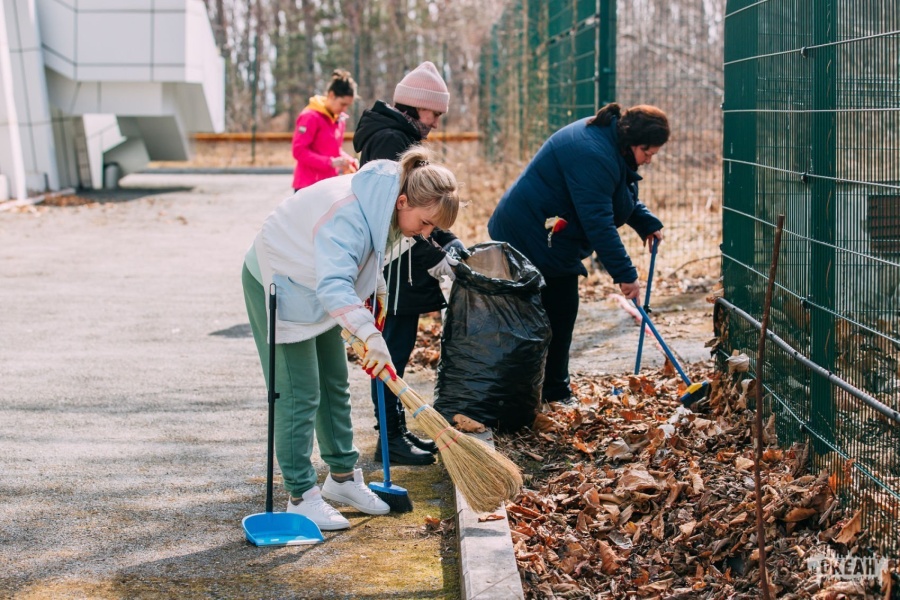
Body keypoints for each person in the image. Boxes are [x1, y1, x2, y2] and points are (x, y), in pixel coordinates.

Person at [242, 146, 461, 530]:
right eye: (426, 223)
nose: (427, 234)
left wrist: (372, 310)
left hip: (315, 283)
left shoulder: (386, 205)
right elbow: (335, 284)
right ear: (404, 202)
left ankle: (342, 478)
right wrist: (368, 334)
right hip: (279, 279)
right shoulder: (351, 215)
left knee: (333, 383)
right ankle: (301, 495)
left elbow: (360, 264)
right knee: (299, 392)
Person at [488, 102, 669, 404]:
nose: (649, 160)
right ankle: (551, 393)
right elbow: (598, 221)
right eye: (647, 153)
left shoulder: (609, 141)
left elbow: (614, 193)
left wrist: (645, 221)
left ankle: (539, 389)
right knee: (559, 309)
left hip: (548, 229)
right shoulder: (593, 153)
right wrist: (626, 275)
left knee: (554, 309)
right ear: (632, 142)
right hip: (530, 231)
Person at [354, 61, 467, 466]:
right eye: (434, 113)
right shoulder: (391, 142)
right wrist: (435, 257)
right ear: (415, 106)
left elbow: (421, 210)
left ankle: (396, 431)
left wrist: (448, 241)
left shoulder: (398, 136)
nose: (436, 122)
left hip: (403, 265)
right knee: (391, 353)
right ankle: (390, 438)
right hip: (395, 269)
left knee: (397, 353)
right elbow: (399, 214)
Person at [291, 69, 360, 192]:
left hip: (329, 184)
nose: (344, 109)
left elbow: (334, 150)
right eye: (342, 104)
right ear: (332, 95)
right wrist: (330, 162)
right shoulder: (310, 117)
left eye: (347, 106)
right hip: (308, 185)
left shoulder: (339, 119)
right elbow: (299, 151)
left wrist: (348, 160)